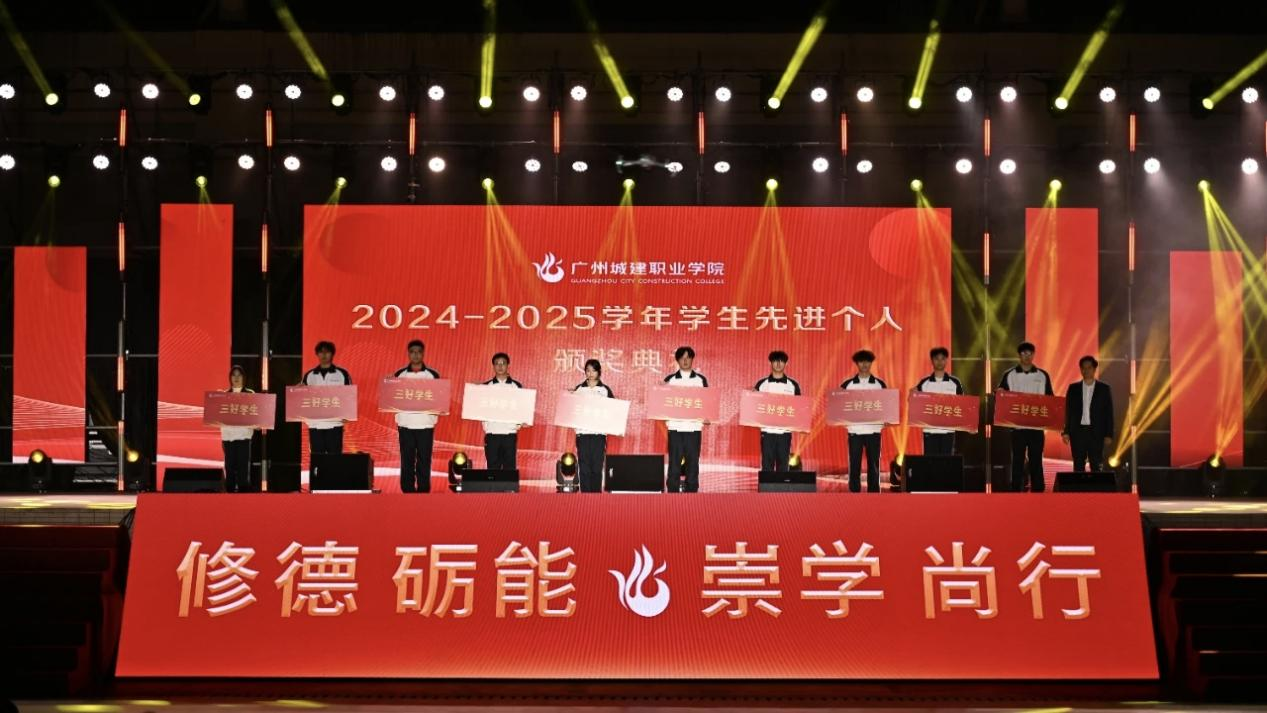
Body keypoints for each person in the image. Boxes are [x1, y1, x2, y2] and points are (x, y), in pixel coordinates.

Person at [997, 341, 1054, 492]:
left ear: (1033, 355)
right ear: (1019, 355)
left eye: (1029, 353)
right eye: (1023, 353)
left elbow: (1050, 399)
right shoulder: (1009, 375)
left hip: (1037, 426)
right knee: (1017, 459)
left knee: (1036, 459)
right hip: (1017, 427)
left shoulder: (1042, 375)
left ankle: (1038, 490)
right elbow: (1002, 397)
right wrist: (1000, 393)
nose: (1027, 356)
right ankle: (1016, 490)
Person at [394, 340, 440, 493]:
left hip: (425, 424)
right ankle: (407, 489)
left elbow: (439, 398)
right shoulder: (399, 375)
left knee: (424, 459)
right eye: (412, 352)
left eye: (418, 352)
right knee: (406, 459)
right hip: (405, 424)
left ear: (423, 353)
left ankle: (423, 490)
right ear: (408, 354)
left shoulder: (432, 375)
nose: (415, 355)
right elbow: (394, 398)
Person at [840, 349, 887, 493]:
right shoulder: (847, 385)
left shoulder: (879, 384)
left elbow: (886, 404)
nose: (864, 364)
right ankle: (854, 492)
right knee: (854, 463)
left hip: (874, 430)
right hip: (855, 430)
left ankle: (874, 493)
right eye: (861, 361)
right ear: (857, 363)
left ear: (871, 363)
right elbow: (839, 405)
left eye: (867, 361)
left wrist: (886, 419)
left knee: (873, 464)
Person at [664, 346, 708, 493]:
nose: (685, 360)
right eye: (682, 358)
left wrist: (707, 416)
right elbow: (663, 402)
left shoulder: (700, 380)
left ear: (692, 359)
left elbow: (707, 401)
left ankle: (692, 492)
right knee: (674, 463)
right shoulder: (670, 380)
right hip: (675, 428)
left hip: (694, 428)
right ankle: (672, 492)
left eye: (688, 357)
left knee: (693, 463)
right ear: (677, 360)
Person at [1062, 355, 1114, 472]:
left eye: (1089, 367)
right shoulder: (1073, 388)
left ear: (1094, 369)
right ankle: (1079, 485)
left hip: (1096, 432)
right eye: (1083, 368)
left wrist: (1109, 434)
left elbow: (1109, 412)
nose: (1086, 370)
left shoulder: (1104, 388)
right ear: (1080, 369)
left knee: (1096, 465)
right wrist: (1066, 432)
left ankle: (1095, 485)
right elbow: (1068, 411)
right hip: (1077, 432)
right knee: (1078, 465)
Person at [301, 341, 352, 457]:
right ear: (317, 354)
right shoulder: (309, 375)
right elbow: (303, 396)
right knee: (317, 458)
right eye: (321, 352)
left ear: (332, 354)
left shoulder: (342, 374)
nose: (324, 355)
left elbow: (349, 395)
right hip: (315, 423)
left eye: (327, 352)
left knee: (334, 458)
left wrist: (347, 414)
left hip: (335, 422)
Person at [754, 350, 801, 472]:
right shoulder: (761, 384)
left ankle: (781, 485)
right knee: (767, 465)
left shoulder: (793, 385)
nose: (778, 364)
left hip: (785, 432)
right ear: (770, 363)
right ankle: (767, 485)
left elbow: (798, 407)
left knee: (783, 466)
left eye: (782, 361)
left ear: (786, 364)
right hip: (767, 431)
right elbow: (754, 405)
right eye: (775, 361)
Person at [573, 359, 615, 493]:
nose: (590, 373)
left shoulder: (605, 390)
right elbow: (572, 410)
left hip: (598, 435)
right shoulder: (579, 389)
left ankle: (596, 498)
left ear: (599, 372)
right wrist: (569, 396)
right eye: (588, 370)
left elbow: (614, 410)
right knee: (584, 467)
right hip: (583, 434)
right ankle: (585, 496)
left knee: (597, 467)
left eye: (593, 370)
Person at [915, 346, 965, 456]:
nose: (940, 362)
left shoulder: (955, 383)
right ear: (932, 361)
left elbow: (961, 405)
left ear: (946, 360)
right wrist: (912, 395)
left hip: (948, 430)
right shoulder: (924, 383)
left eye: (942, 359)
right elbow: (915, 402)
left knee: (946, 462)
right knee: (930, 462)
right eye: (936, 359)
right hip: (929, 430)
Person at [482, 352, 524, 470]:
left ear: (508, 365)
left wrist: (520, 423)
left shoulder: (516, 386)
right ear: (493, 366)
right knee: (492, 468)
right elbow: (480, 408)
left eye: (503, 363)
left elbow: (521, 407)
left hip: (509, 434)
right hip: (492, 433)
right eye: (497, 363)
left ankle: (508, 484)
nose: (500, 366)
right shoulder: (485, 387)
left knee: (509, 468)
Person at [221, 365, 256, 492]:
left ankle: (243, 491)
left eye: (239, 375)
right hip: (228, 436)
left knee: (243, 466)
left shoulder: (250, 394)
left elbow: (255, 413)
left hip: (244, 436)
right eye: (233, 375)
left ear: (243, 378)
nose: (236, 378)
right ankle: (229, 491)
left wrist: (258, 423)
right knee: (229, 466)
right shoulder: (224, 395)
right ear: (230, 378)